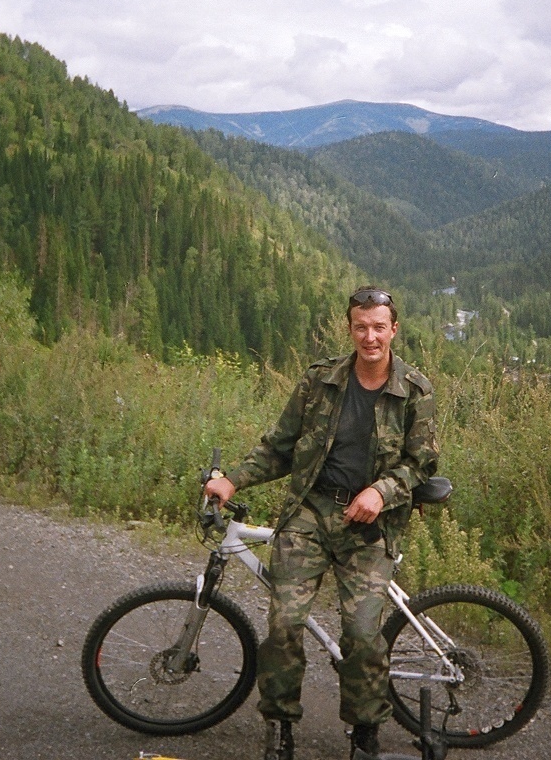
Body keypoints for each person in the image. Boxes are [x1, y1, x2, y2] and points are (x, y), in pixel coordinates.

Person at [205, 286, 438, 760]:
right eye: (360, 327)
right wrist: (232, 481)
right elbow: (280, 446)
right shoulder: (320, 381)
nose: (369, 336)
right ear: (349, 329)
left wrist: (381, 491)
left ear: (394, 329)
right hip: (311, 512)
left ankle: (366, 733)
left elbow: (421, 464)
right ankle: (280, 729)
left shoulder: (414, 390)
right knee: (284, 622)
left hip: (371, 526)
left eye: (378, 327)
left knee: (362, 633)